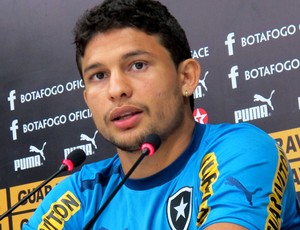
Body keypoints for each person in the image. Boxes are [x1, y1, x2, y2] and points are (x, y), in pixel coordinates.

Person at [23, 0, 300, 229]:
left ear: (187, 77)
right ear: (87, 99)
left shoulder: (242, 149)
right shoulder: (81, 194)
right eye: (99, 75)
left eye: (138, 65)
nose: (116, 89)